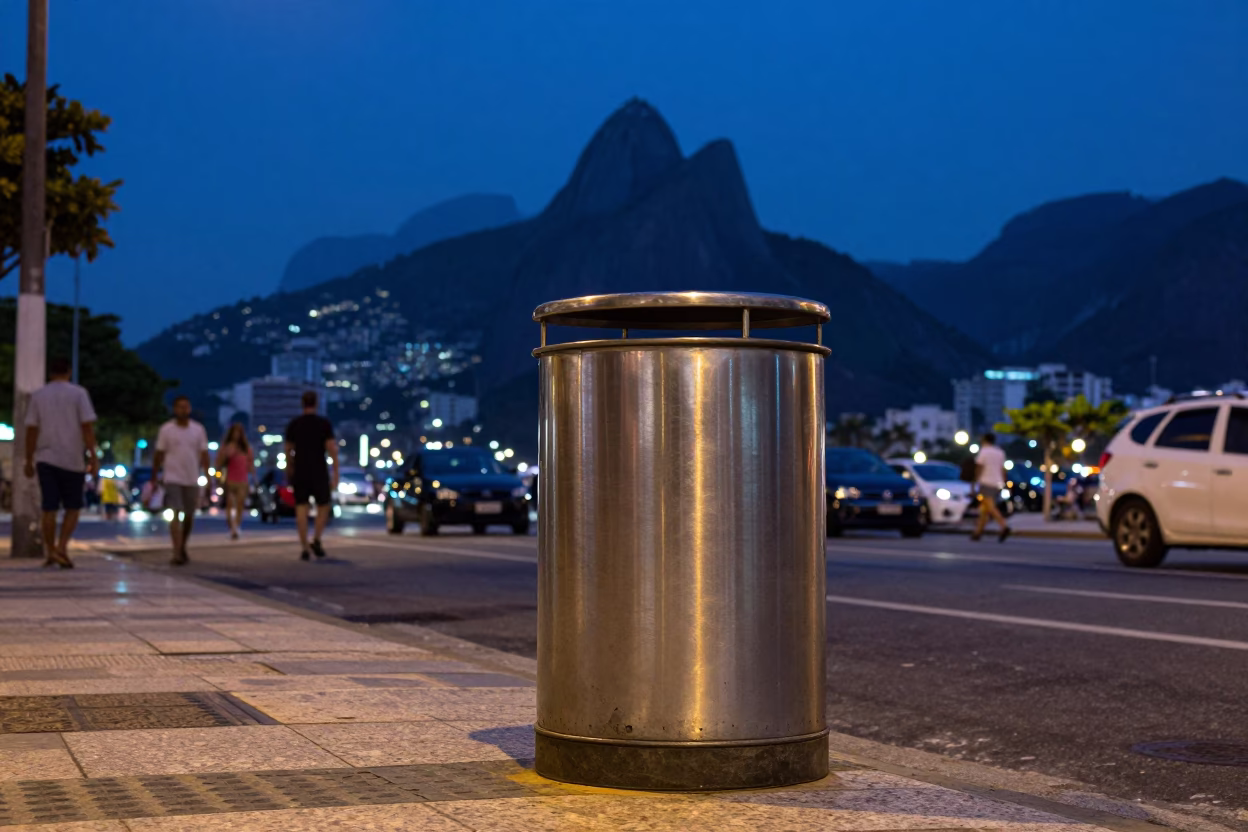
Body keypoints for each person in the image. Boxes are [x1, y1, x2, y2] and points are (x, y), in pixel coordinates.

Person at [23, 357, 98, 568]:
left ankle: (51, 551)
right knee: (73, 507)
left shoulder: (38, 396)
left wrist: (29, 459)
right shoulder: (79, 393)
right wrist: (93, 455)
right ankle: (62, 547)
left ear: (50, 373)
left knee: (49, 507)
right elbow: (87, 427)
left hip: (45, 458)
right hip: (72, 459)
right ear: (69, 371)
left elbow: (31, 429)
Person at [153, 395, 210, 565]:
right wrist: (155, 474)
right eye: (179, 407)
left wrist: (208, 476)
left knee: (189, 515)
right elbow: (159, 453)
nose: (183, 410)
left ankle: (182, 545)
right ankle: (176, 551)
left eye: (186, 407)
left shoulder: (198, 430)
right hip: (172, 477)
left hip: (191, 477)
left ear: (190, 409)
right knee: (175, 513)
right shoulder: (166, 430)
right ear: (174, 409)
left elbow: (204, 454)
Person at [284, 390, 339, 561]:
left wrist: (290, 469)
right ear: (316, 403)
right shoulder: (324, 424)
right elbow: (332, 450)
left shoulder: (294, 424)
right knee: (324, 505)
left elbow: (287, 451)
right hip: (319, 470)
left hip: (300, 470)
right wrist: (335, 472)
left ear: (302, 404)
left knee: (301, 507)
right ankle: (316, 538)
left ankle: (304, 547)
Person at [970, 432, 1012, 543]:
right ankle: (978, 533)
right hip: (997, 483)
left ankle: (1003, 526)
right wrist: (1004, 482)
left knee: (990, 506)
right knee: (984, 509)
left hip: (986, 482)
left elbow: (979, 468)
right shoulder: (1000, 452)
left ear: (984, 440)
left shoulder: (984, 452)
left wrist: (974, 484)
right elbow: (1003, 469)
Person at [216, 423, 254, 540]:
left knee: (240, 505)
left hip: (242, 480)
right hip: (230, 479)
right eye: (235, 432)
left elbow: (250, 465)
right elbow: (219, 463)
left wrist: (252, 477)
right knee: (229, 504)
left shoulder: (246, 448)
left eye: (239, 432)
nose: (236, 435)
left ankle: (236, 527)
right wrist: (227, 454)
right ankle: (231, 525)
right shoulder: (227, 447)